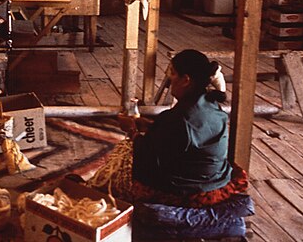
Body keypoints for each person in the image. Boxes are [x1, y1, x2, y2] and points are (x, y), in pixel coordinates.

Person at [86, 49, 248, 207]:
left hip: (192, 192)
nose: (170, 80)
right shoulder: (211, 105)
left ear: (185, 80)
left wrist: (132, 131)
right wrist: (149, 126)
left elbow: (149, 156)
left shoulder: (179, 117)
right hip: (215, 180)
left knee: (125, 158)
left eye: (172, 73)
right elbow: (180, 139)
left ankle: (89, 188)